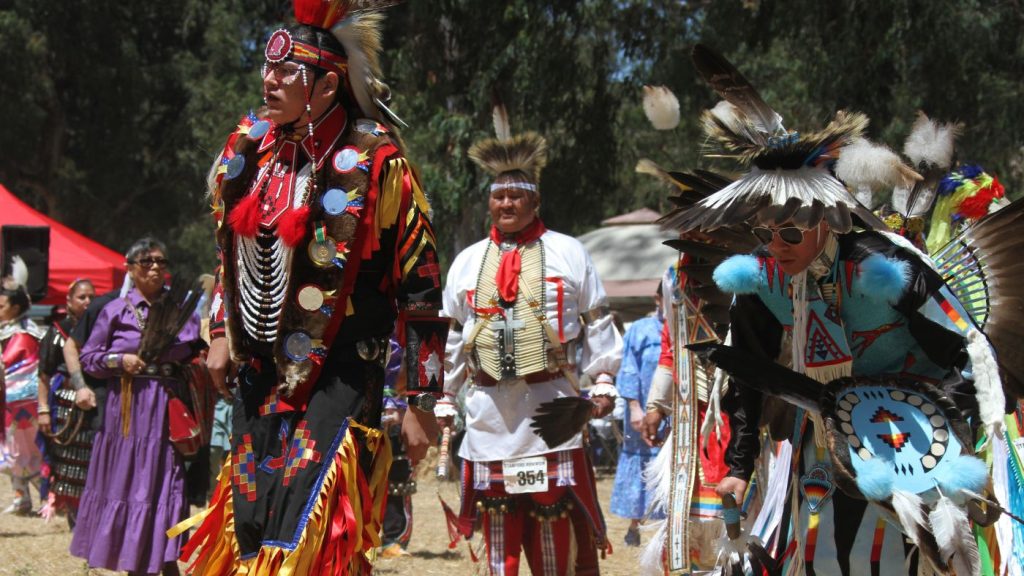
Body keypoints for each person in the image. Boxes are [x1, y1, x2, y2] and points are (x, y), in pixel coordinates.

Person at [667, 45, 1011, 575]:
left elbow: (968, 352)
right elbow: (749, 372)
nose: (774, 245)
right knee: (821, 558)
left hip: (914, 439)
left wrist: (934, 414)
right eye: (763, 231)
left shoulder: (883, 267)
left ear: (827, 220)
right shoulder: (761, 277)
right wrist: (740, 464)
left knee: (894, 561)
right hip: (826, 437)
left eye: (789, 232)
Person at [177, 1, 447, 573]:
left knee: (312, 524)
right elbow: (229, 255)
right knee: (253, 523)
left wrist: (421, 402)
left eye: (287, 72)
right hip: (258, 372)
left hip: (341, 372)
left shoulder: (375, 162)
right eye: (267, 70)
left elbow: (420, 284)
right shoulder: (248, 153)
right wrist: (221, 330)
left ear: (327, 84)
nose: (269, 82)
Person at [438, 106, 622, 576]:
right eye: (499, 196)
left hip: (552, 408)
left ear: (535, 201)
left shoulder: (568, 251)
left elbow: (597, 319)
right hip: (488, 414)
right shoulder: (467, 261)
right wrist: (444, 394)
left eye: (516, 196)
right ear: (489, 203)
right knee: (497, 509)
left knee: (551, 508)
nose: (507, 204)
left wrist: (603, 378)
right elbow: (453, 335)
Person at [69, 237, 203, 575]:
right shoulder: (114, 309)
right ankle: (134, 562)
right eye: (146, 261)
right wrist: (120, 360)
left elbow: (193, 348)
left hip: (166, 407)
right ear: (130, 268)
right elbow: (89, 358)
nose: (155, 267)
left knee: (166, 480)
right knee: (128, 482)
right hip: (127, 410)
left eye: (161, 261)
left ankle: (166, 561)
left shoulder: (179, 309)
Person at [36, 278, 95, 523]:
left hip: (95, 401)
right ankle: (71, 511)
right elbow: (44, 374)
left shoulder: (101, 329)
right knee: (63, 458)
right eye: (82, 297)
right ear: (69, 301)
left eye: (91, 297)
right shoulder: (57, 331)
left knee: (92, 458)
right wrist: (43, 410)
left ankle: (88, 512)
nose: (88, 301)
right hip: (63, 404)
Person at [609, 289, 664, 547]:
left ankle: (668, 526)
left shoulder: (686, 328)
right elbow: (628, 368)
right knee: (641, 464)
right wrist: (633, 407)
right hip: (641, 410)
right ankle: (635, 524)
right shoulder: (641, 329)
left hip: (672, 414)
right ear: (658, 299)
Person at [0, 257, 46, 514]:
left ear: (15, 307)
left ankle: (48, 497)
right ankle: (22, 499)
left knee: (26, 450)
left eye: (2, 305)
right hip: (10, 402)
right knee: (12, 450)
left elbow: (18, 367)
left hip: (22, 404)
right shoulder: (8, 330)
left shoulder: (24, 335)